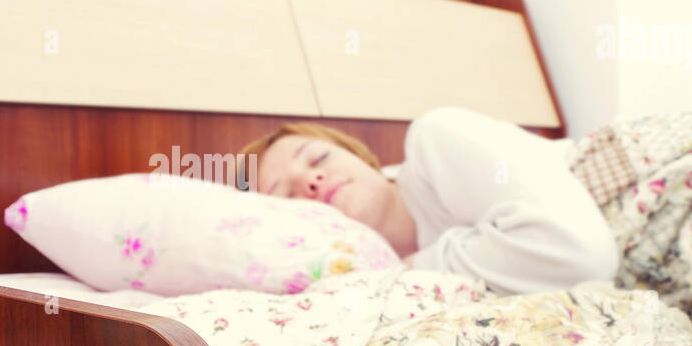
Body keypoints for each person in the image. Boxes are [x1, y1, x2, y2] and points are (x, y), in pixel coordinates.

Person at [237, 106, 618, 295]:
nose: (311, 178)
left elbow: (581, 255)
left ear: (363, 157)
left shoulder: (436, 138)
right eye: (287, 194)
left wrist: (409, 269)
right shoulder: (357, 289)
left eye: (319, 158)